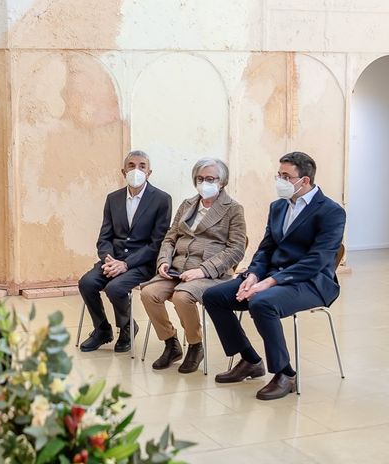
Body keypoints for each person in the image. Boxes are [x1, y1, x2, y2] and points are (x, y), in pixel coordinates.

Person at [203, 152, 346, 400]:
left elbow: (318, 260)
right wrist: (254, 276)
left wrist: (270, 282)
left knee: (262, 303)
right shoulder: (278, 206)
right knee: (214, 296)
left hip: (311, 282)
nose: (280, 180)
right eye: (279, 175)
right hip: (272, 276)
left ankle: (285, 374)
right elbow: (266, 248)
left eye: (286, 176)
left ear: (305, 180)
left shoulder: (331, 211)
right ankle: (250, 360)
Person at [140, 158, 246, 373]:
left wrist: (202, 270)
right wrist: (163, 261)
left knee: (182, 297)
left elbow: (237, 249)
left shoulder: (233, 209)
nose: (204, 183)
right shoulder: (188, 204)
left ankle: (195, 345)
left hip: (209, 273)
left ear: (222, 182)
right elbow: (170, 238)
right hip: (177, 269)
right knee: (148, 293)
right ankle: (171, 343)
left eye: (210, 179)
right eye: (200, 179)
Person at [79, 151, 172, 353]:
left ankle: (127, 327)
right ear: (123, 171)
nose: (136, 170)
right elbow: (104, 237)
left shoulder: (162, 200)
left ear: (149, 172)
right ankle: (102, 329)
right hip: (113, 260)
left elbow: (158, 243)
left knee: (115, 288)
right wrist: (108, 259)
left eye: (142, 166)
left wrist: (127, 264)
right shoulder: (113, 199)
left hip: (141, 263)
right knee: (86, 282)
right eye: (131, 165)